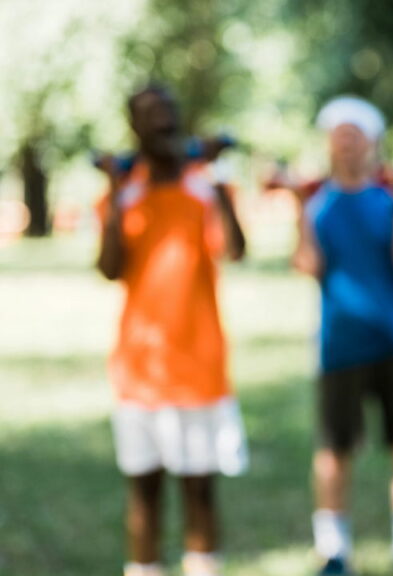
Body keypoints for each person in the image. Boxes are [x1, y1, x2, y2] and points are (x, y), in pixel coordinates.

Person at [95, 84, 248, 576]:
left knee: (200, 487)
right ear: (134, 127)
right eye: (149, 114)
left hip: (198, 362)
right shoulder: (125, 189)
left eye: (169, 112)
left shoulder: (203, 184)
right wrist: (117, 197)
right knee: (144, 489)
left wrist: (218, 172)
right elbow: (110, 267)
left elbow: (236, 248)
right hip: (139, 367)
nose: (162, 121)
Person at [292, 96, 393, 576]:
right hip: (339, 346)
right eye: (339, 137)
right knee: (334, 452)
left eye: (355, 136)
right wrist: (298, 210)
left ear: (372, 142)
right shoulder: (317, 204)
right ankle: (333, 552)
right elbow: (309, 266)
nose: (346, 145)